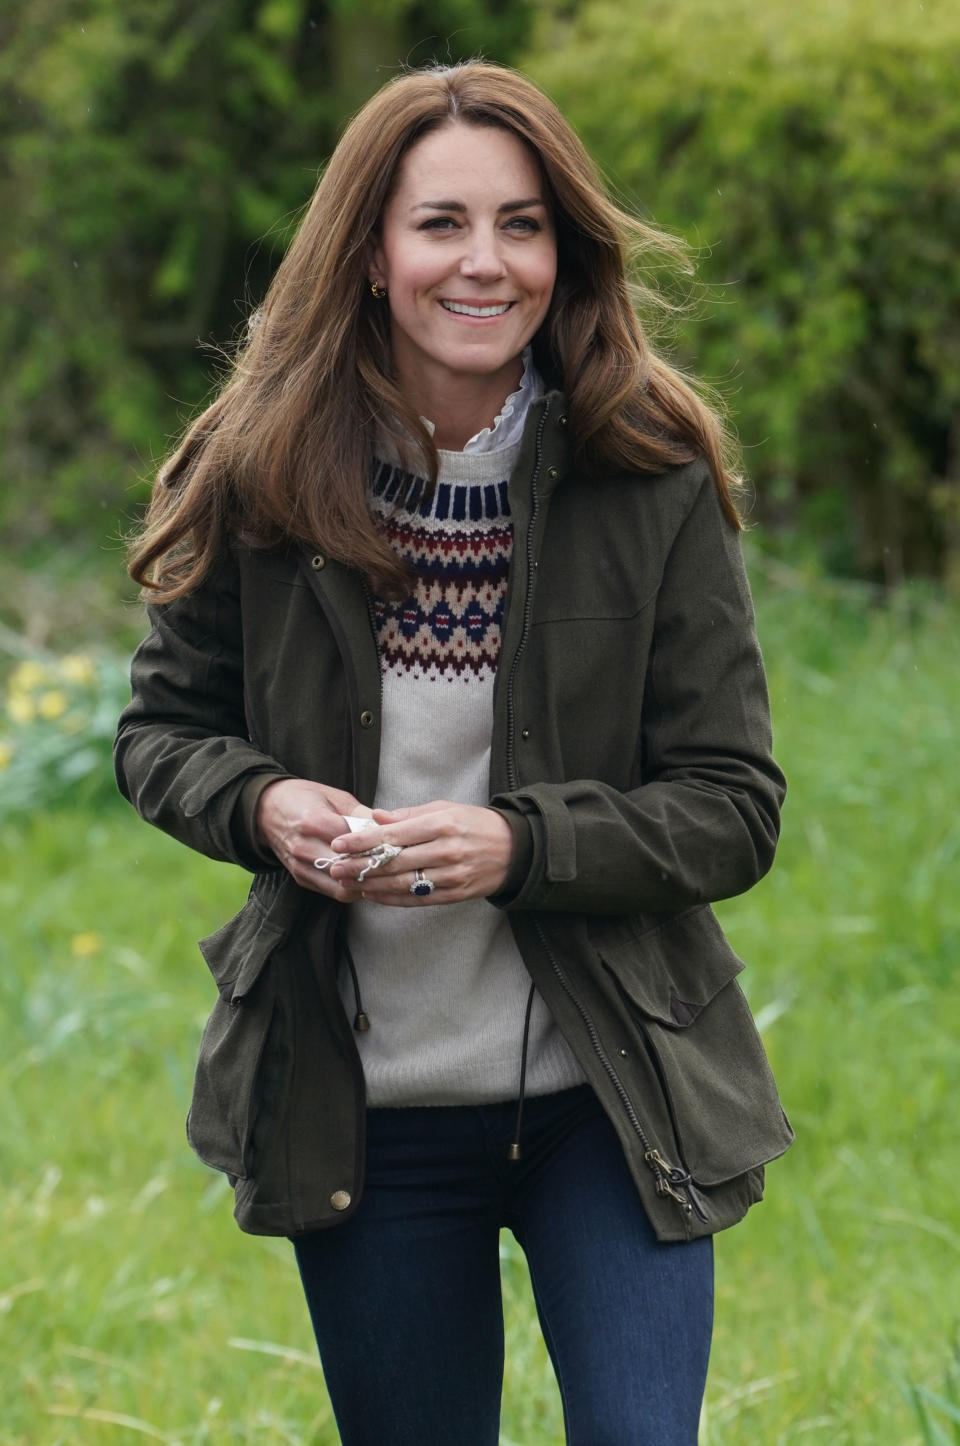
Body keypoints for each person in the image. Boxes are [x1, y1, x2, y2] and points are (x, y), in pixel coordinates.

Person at [115, 59, 792, 1446]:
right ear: (370, 252)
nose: (486, 262)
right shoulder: (256, 469)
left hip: (611, 1093)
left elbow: (733, 806)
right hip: (366, 1110)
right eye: (441, 224)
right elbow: (161, 736)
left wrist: (522, 844)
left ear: (566, 249)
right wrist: (263, 803)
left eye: (525, 223)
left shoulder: (649, 469)